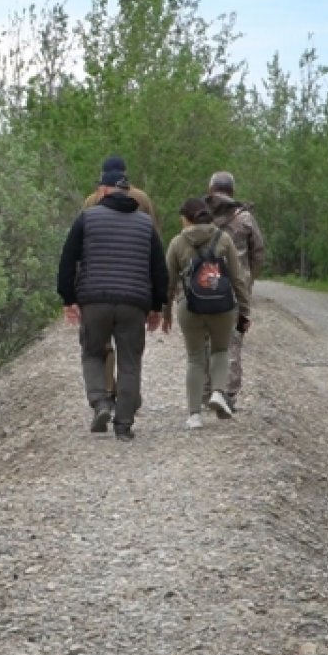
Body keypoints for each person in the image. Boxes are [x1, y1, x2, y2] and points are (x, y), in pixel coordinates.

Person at [58, 160, 169, 442]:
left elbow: (68, 259)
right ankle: (124, 424)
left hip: (94, 299)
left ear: (104, 191)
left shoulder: (87, 217)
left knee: (93, 352)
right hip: (134, 302)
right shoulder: (146, 224)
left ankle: (100, 402)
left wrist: (68, 298)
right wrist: (158, 305)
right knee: (130, 362)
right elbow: (158, 267)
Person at [162, 197, 252, 430]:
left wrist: (166, 312)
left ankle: (194, 415)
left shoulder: (177, 243)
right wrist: (244, 310)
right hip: (222, 306)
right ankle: (218, 392)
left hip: (189, 306)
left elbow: (168, 282)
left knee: (195, 358)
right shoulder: (224, 239)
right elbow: (237, 277)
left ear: (187, 219)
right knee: (220, 350)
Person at [80, 156, 162, 403]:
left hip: (97, 281)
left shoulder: (91, 201)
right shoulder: (142, 199)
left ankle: (106, 390)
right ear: (125, 174)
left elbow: (81, 242)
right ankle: (128, 396)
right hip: (135, 279)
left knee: (99, 343)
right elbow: (153, 241)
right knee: (130, 347)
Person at [204, 171, 265, 412]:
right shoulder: (245, 218)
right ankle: (226, 393)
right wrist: (249, 278)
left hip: (205, 284)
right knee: (233, 339)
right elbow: (258, 252)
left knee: (206, 336)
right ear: (232, 191)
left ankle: (206, 389)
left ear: (211, 190)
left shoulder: (200, 215)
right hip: (236, 289)